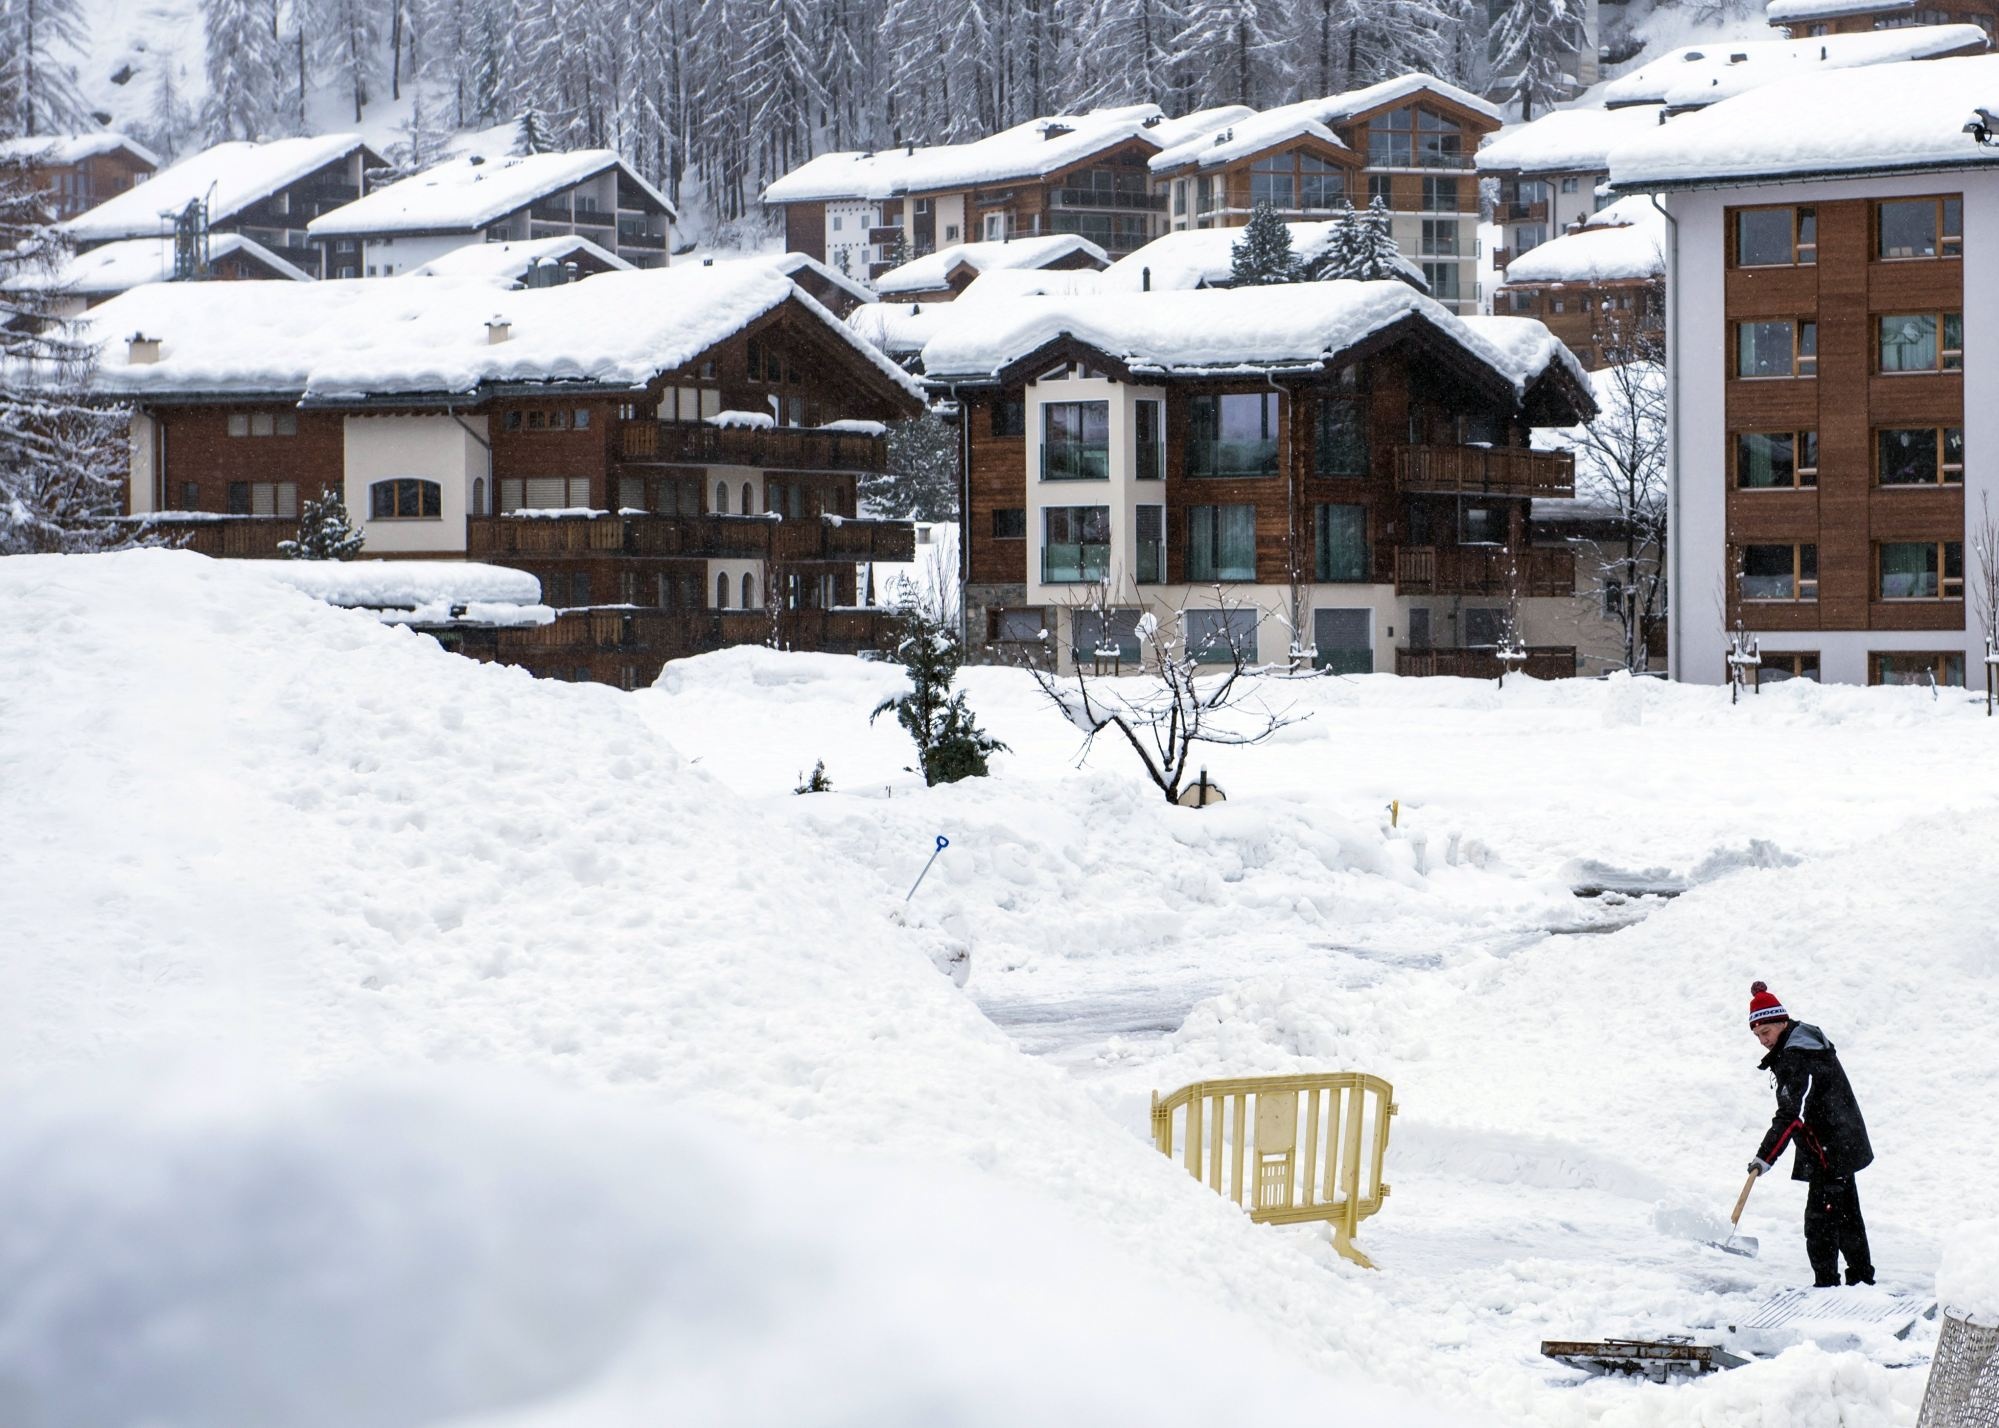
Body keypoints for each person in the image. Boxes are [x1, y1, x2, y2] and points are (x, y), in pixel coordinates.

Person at [1746, 981, 1875, 1287]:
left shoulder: (1796, 1056)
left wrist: (1764, 1158)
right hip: (1839, 1143)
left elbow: (1790, 1117)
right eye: (1758, 1036)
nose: (1763, 1041)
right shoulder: (1804, 1043)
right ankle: (1861, 1280)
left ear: (1782, 1022)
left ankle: (1827, 1286)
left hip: (1829, 1148)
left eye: (1766, 1032)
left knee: (1820, 1222)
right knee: (1846, 1216)